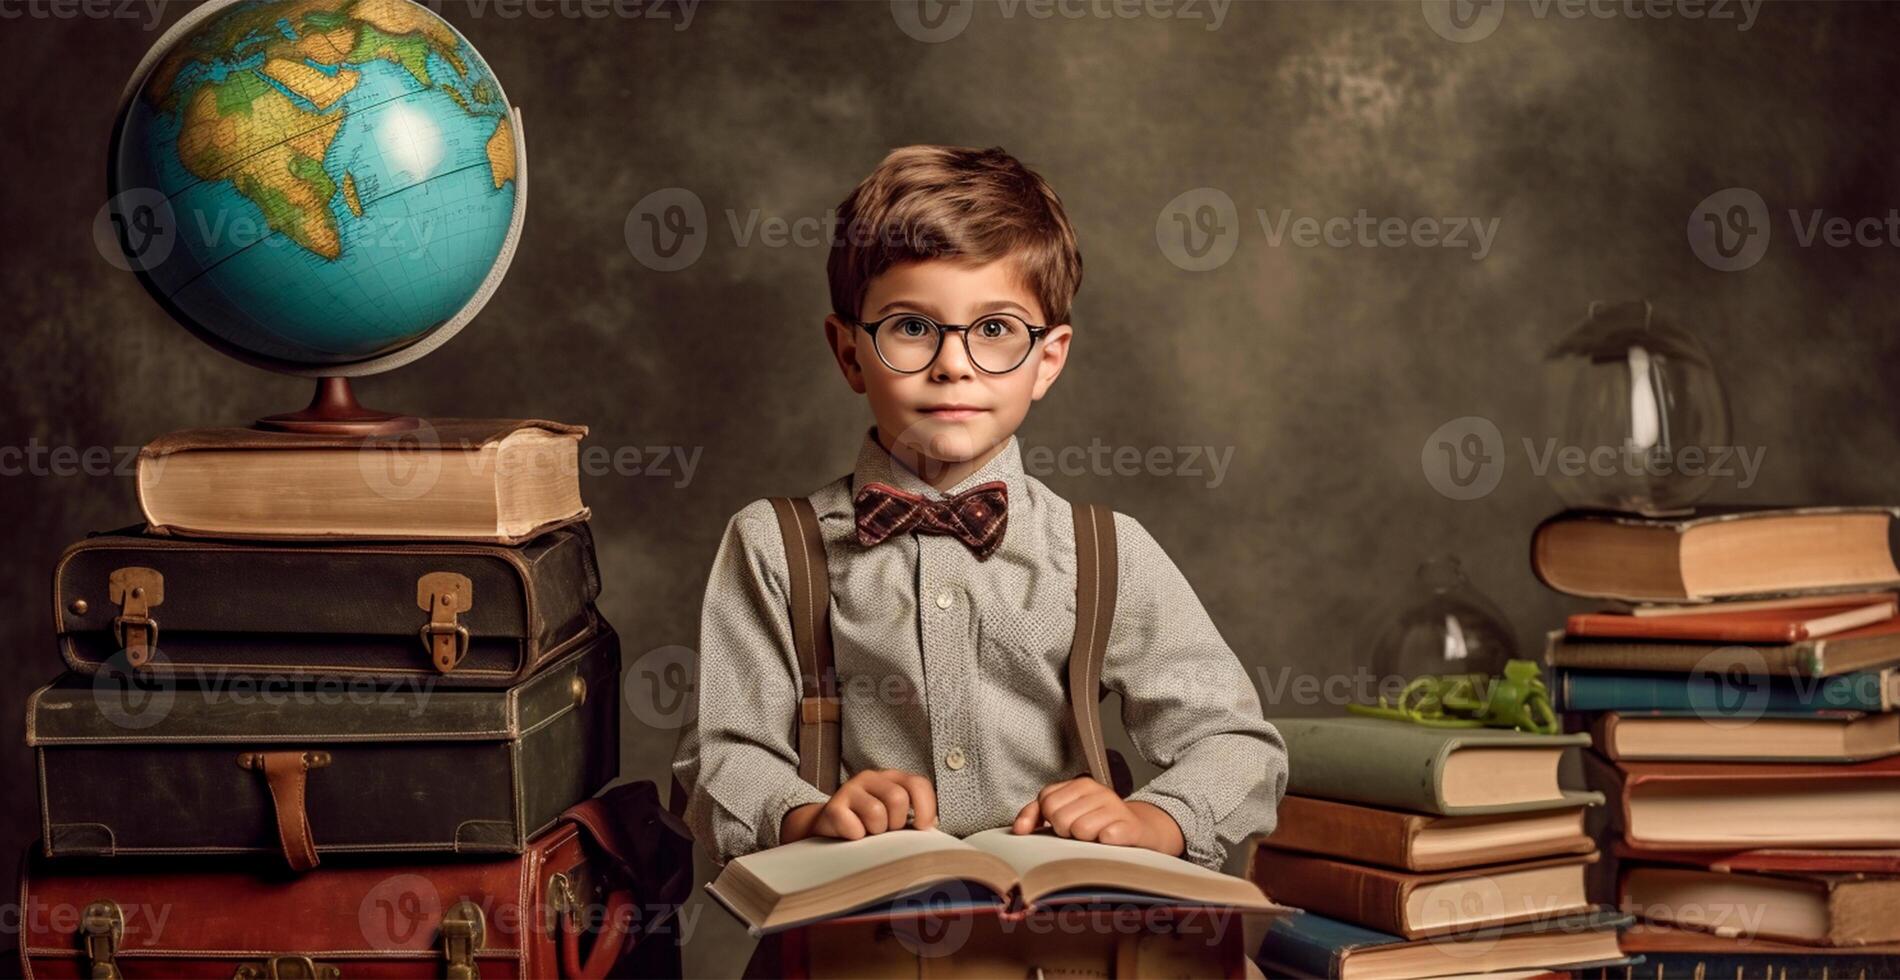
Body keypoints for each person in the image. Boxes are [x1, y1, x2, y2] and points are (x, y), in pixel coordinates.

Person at [671, 145, 1286, 882]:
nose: (953, 364)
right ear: (848, 353)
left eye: (995, 329)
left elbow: (1235, 742)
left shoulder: (1105, 551)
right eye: (911, 327)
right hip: (858, 934)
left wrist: (1156, 820)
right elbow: (720, 758)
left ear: (1049, 359)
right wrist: (810, 815)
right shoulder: (774, 545)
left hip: (1066, 939)